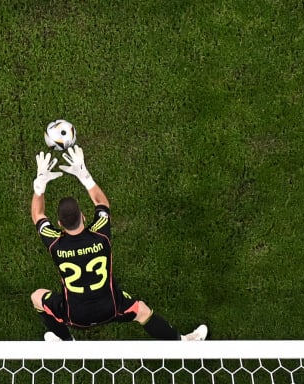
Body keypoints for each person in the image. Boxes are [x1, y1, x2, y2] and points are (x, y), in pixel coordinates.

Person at [29, 145, 208, 342]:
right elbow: (102, 203)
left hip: (75, 315)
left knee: (37, 297)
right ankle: (182, 342)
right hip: (111, 307)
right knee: (142, 311)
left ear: (60, 224)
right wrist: (84, 175)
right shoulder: (101, 234)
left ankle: (65, 340)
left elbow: (38, 215)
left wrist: (40, 185)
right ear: (84, 216)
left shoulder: (55, 243)